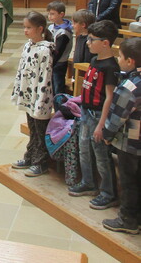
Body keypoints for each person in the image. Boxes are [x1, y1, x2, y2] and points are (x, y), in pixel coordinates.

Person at [68, 20, 119, 210]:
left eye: (92, 40)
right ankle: (89, 183)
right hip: (85, 112)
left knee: (101, 155)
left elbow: (109, 97)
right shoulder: (94, 60)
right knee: (84, 148)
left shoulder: (111, 67)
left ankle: (108, 193)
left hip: (98, 116)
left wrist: (101, 125)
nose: (88, 43)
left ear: (105, 43)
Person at [101, 38, 141, 234]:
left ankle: (128, 220)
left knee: (128, 181)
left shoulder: (130, 86)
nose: (118, 59)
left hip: (131, 143)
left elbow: (118, 115)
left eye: (121, 56)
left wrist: (107, 134)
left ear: (130, 61)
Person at [11, 11, 54, 177]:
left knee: (40, 129)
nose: (25, 31)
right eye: (24, 27)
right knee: (32, 128)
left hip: (40, 97)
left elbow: (45, 77)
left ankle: (41, 162)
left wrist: (41, 99)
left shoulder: (46, 49)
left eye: (29, 27)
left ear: (40, 29)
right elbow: (22, 69)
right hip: (29, 94)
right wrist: (18, 90)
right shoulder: (29, 45)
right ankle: (30, 156)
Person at [47, 1, 73, 95]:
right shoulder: (51, 27)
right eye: (49, 14)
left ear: (61, 14)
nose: (50, 16)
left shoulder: (64, 32)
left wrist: (51, 62)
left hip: (59, 63)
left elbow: (59, 51)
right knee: (50, 86)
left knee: (58, 86)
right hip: (51, 61)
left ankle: (59, 106)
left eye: (52, 14)